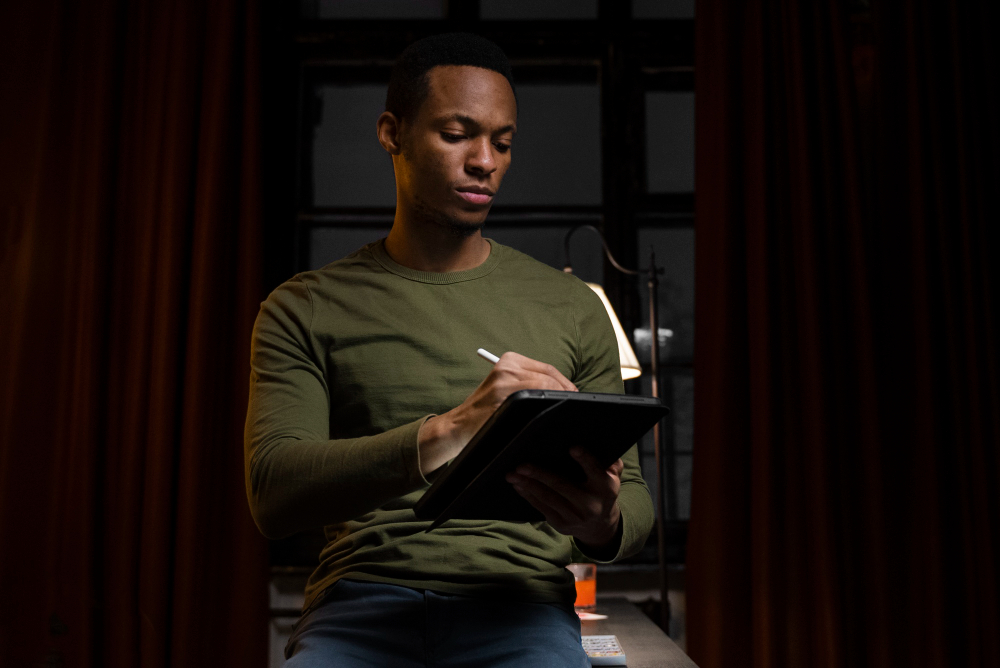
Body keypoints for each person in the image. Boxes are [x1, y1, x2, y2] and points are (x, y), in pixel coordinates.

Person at [244, 32, 654, 667]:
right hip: (359, 607)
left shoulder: (574, 308)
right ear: (392, 133)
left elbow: (633, 497)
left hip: (520, 609)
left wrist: (600, 521)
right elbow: (274, 494)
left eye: (502, 142)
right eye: (457, 134)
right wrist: (455, 428)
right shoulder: (302, 307)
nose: (484, 161)